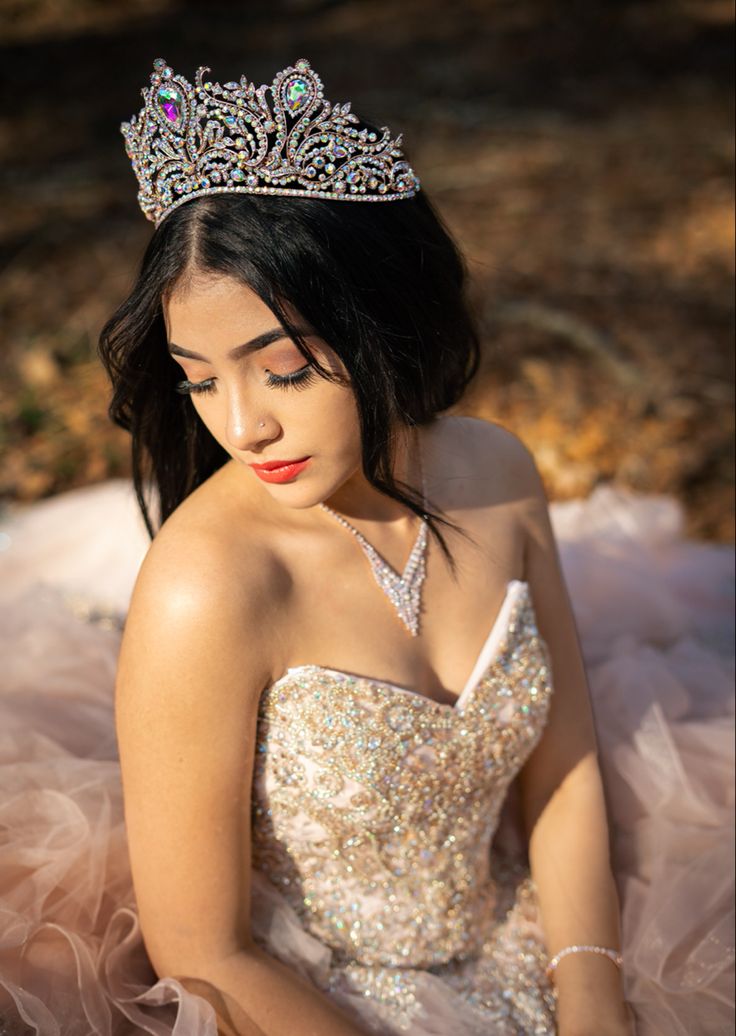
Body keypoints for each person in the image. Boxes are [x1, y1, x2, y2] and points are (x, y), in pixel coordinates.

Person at [0, 57, 732, 1036]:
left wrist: (592, 994)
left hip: (529, 931)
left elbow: (561, 768)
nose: (242, 425)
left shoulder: (498, 472)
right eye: (198, 382)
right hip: (302, 991)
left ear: (382, 322)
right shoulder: (205, 586)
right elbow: (204, 950)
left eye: (286, 370)